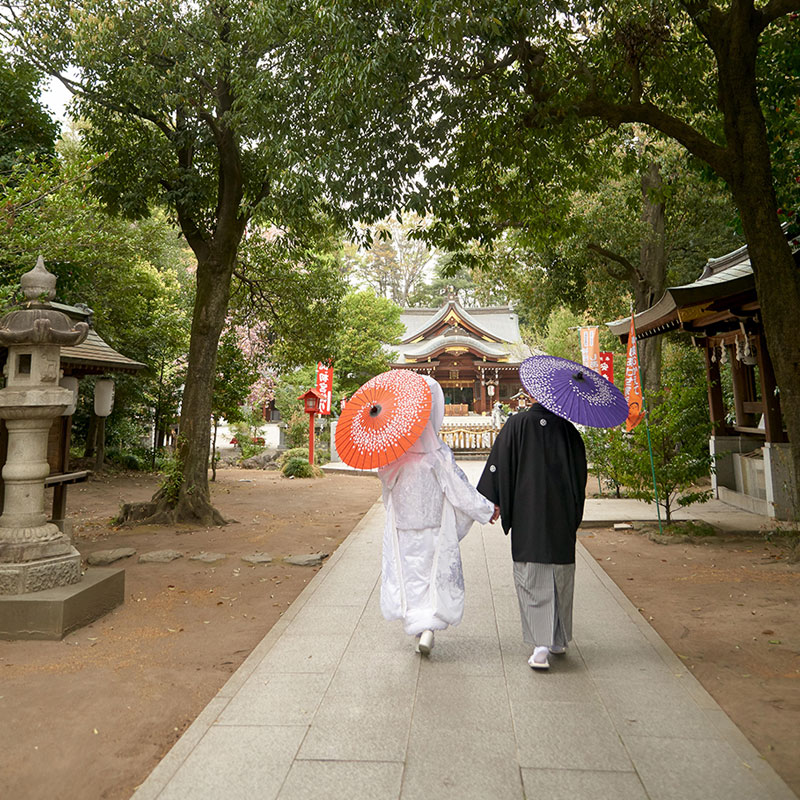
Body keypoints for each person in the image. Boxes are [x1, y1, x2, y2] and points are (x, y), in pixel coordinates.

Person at [378, 375, 499, 655]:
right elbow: (459, 489)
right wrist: (484, 509)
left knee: (410, 573)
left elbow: (386, 486)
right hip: (433, 521)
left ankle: (418, 625)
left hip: (403, 524)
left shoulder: (393, 456)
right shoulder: (436, 453)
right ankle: (429, 626)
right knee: (432, 574)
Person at [477, 395, 586, 670]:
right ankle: (559, 639)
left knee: (532, 574)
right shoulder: (568, 430)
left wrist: (494, 501)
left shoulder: (516, 425)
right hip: (560, 514)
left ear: (534, 396)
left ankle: (540, 646)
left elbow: (498, 465)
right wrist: (573, 511)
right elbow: (580, 475)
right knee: (561, 574)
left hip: (528, 514)